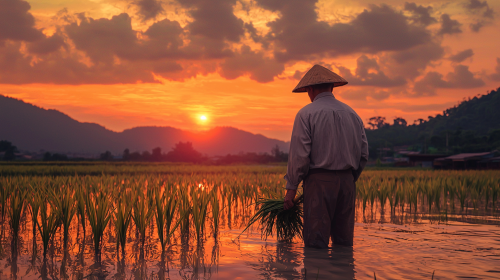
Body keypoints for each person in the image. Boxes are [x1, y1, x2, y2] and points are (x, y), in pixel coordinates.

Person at [283, 64, 369, 248]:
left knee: (316, 243)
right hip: (347, 183)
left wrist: (291, 189)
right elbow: (363, 153)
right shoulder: (352, 114)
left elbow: (300, 155)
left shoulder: (306, 113)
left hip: (319, 183)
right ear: (331, 87)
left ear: (310, 89)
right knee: (344, 244)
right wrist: (349, 178)